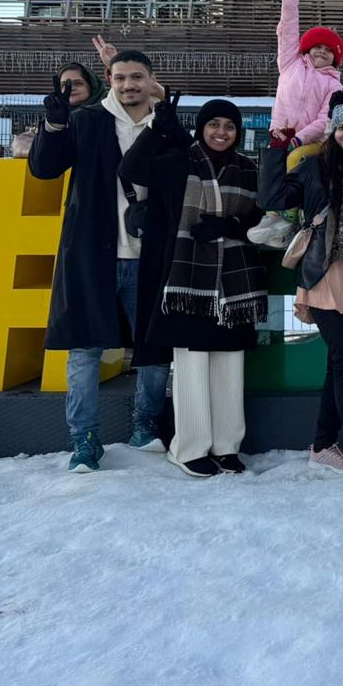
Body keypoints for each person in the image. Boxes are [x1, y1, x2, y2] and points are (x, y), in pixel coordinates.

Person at [30, 49, 174, 472]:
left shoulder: (163, 123)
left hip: (149, 256)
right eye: (121, 77)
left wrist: (169, 121)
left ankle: (145, 423)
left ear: (151, 80)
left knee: (154, 348)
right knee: (84, 350)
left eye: (137, 77)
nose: (129, 85)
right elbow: (44, 168)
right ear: (109, 80)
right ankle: (84, 439)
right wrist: (54, 125)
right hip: (92, 256)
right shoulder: (87, 120)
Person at [121, 99, 267, 477]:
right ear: (201, 127)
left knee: (229, 366)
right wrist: (157, 128)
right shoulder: (179, 161)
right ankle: (188, 447)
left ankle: (226, 446)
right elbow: (131, 168)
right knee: (193, 368)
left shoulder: (248, 169)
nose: (221, 132)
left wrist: (231, 226)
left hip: (235, 282)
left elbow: (261, 218)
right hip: (188, 281)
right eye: (213, 124)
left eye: (229, 126)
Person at [261, 97, 343, 476]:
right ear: (332, 133)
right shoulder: (314, 167)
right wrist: (276, 150)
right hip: (324, 271)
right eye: (342, 127)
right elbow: (272, 197)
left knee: (340, 363)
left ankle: (322, 445)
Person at [249, 0, 343, 247]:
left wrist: (300, 138)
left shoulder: (333, 84)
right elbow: (288, 30)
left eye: (328, 51)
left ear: (335, 58)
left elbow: (324, 119)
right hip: (281, 133)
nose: (322, 52)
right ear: (307, 49)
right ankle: (271, 218)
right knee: (271, 169)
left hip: (312, 141)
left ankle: (288, 218)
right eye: (317, 47)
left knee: (294, 160)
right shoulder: (290, 64)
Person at [12, 61, 100, 158]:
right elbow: (22, 143)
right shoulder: (57, 117)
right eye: (64, 85)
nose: (71, 88)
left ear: (92, 86)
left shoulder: (106, 113)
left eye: (78, 83)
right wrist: (41, 149)